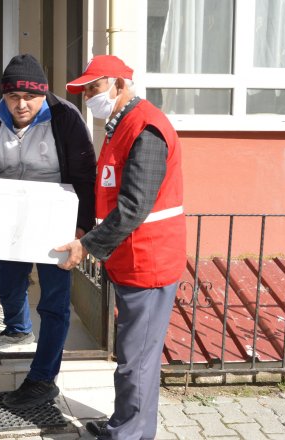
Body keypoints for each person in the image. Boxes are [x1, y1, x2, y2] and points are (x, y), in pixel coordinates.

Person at [0, 54, 96, 409]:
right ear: (4, 96)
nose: (21, 104)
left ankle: (44, 378)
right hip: (8, 214)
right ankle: (18, 329)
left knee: (54, 301)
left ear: (43, 95)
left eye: (29, 97)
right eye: (13, 96)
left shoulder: (66, 118)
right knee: (8, 280)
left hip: (54, 218)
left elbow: (84, 177)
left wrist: (82, 229)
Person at [55, 55, 186, 439]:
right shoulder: (121, 124)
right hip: (132, 259)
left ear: (119, 84)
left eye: (94, 88)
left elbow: (134, 205)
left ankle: (129, 434)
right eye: (85, 91)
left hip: (150, 261)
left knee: (137, 360)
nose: (89, 98)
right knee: (134, 356)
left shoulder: (145, 128)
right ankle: (125, 424)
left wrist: (86, 247)